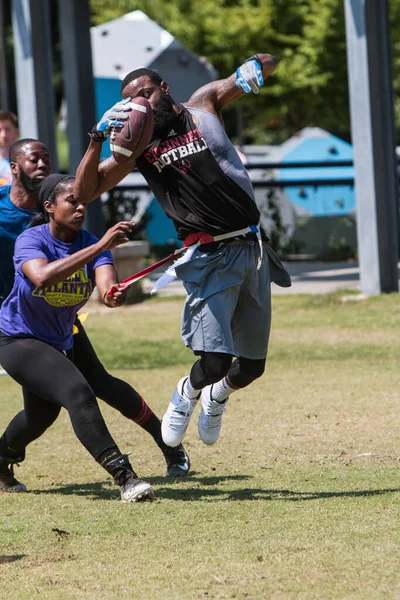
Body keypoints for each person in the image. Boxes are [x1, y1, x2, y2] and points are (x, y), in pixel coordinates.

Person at [74, 54, 291, 454]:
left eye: (146, 93)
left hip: (252, 247)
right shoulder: (136, 145)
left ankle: (217, 397)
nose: (140, 102)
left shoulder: (203, 105)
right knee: (214, 362)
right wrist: (95, 137)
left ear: (165, 88)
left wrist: (256, 66)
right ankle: (186, 393)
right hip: (207, 257)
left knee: (253, 366)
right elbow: (85, 192)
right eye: (130, 100)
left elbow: (267, 62)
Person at [0, 139, 189, 493]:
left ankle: (0, 459)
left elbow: (106, 285)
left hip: (60, 330)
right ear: (50, 207)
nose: (80, 207)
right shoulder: (31, 239)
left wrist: (113, 294)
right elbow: (41, 277)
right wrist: (101, 245)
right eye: (71, 201)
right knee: (78, 391)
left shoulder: (88, 243)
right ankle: (125, 477)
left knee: (45, 413)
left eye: (82, 201)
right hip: (17, 334)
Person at [0, 110, 19, 186]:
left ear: (16, 132)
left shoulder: (26, 161)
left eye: (7, 130)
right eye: (0, 130)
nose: (3, 135)